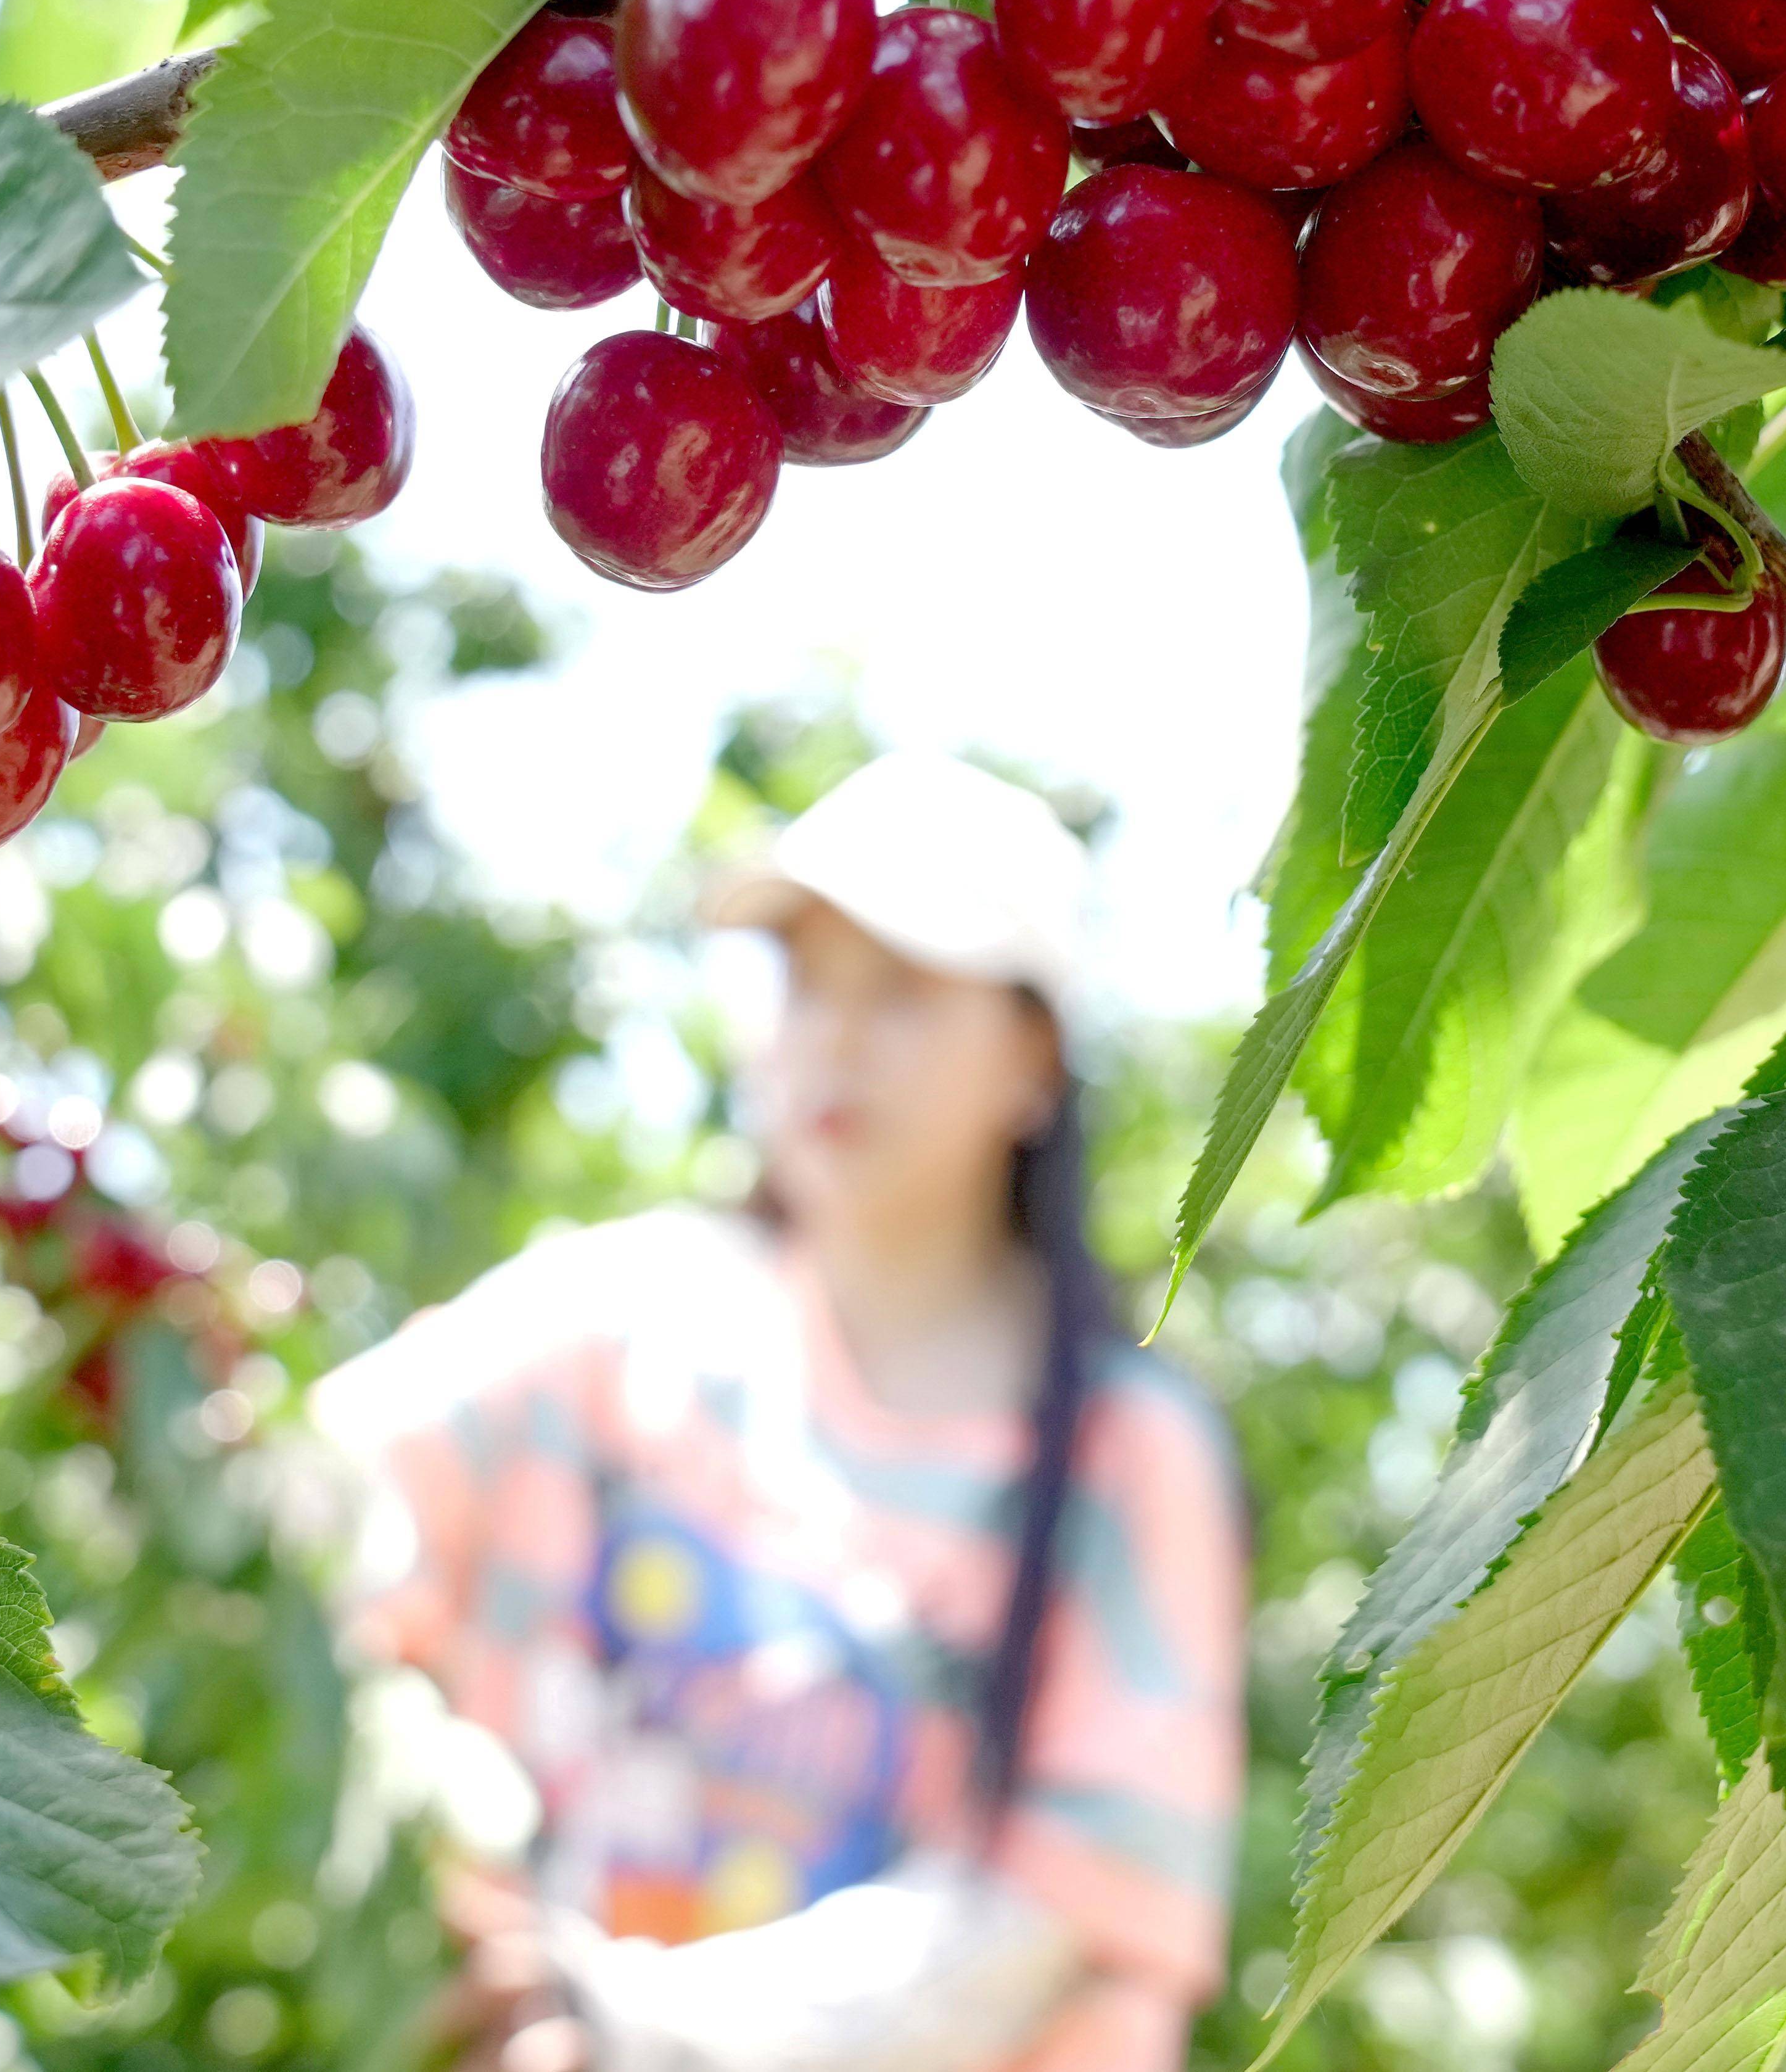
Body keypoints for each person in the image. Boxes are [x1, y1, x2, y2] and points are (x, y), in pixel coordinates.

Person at [310, 753, 1251, 2072]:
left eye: (902, 988)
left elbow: (1060, 1913)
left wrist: (628, 2020)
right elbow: (320, 1502)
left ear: (1035, 1054)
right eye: (802, 978)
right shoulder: (617, 1315)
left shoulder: (1125, 1451)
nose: (833, 1035)